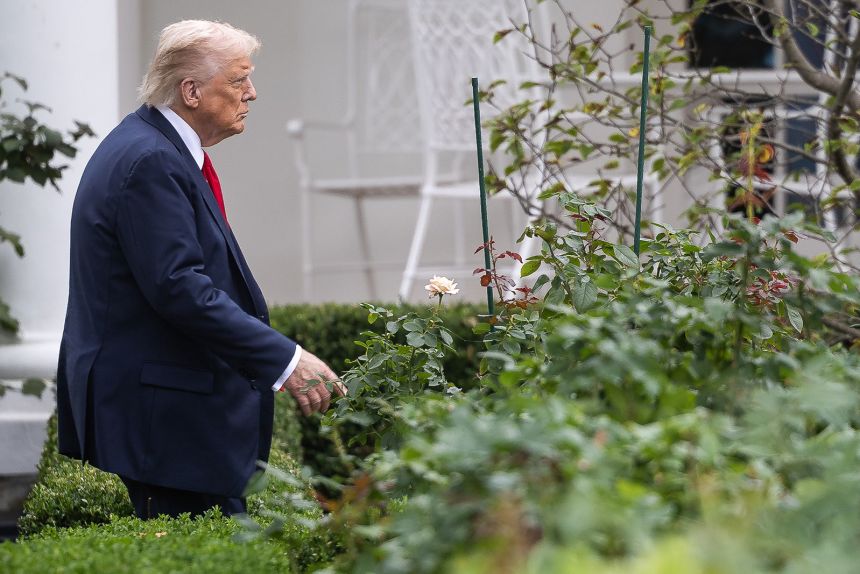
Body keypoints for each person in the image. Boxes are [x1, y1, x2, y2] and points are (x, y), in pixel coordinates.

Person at [56, 20, 344, 519]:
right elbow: (179, 288)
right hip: (162, 422)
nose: (252, 93)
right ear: (191, 90)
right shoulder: (150, 159)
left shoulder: (153, 146)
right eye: (238, 80)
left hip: (167, 416)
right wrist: (286, 359)